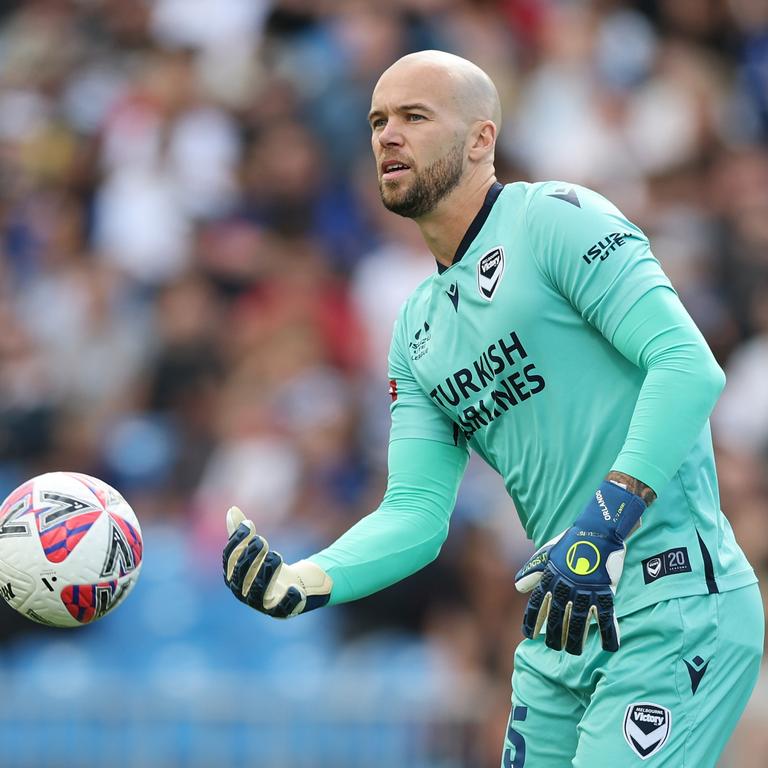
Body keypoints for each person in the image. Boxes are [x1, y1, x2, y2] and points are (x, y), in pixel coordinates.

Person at [222, 50, 764, 767]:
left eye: (415, 116)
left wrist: (601, 525)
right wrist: (305, 580)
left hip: (672, 602)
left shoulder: (555, 220)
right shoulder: (417, 328)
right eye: (378, 120)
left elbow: (687, 367)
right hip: (562, 624)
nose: (388, 135)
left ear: (481, 139)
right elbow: (415, 513)